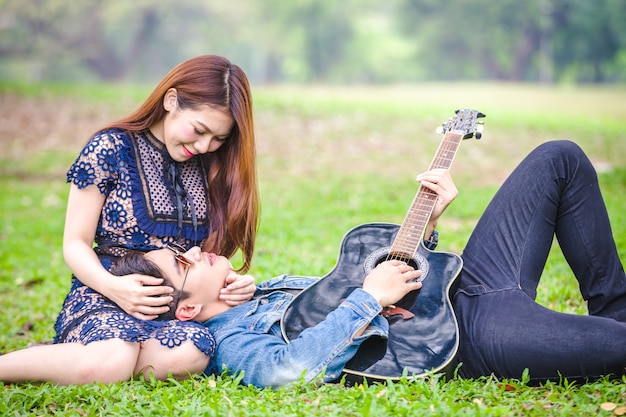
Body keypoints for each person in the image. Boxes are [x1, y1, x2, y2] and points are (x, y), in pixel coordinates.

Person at [105, 140, 626, 388]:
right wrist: (369, 297)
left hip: (466, 281)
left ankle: (616, 307)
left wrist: (427, 227)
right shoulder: (229, 341)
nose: (195, 249)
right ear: (188, 311)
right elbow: (289, 370)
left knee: (559, 157)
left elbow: (394, 273)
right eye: (182, 263)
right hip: (469, 334)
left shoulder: (262, 293)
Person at [0, 55, 258, 385]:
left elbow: (205, 261)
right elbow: (74, 243)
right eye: (199, 130)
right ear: (171, 100)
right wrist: (115, 288)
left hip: (171, 311)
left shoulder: (213, 164)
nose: (205, 145)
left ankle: (80, 360)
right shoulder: (110, 148)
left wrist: (233, 287)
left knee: (191, 352)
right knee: (110, 361)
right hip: (102, 292)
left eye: (219, 138)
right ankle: (78, 360)